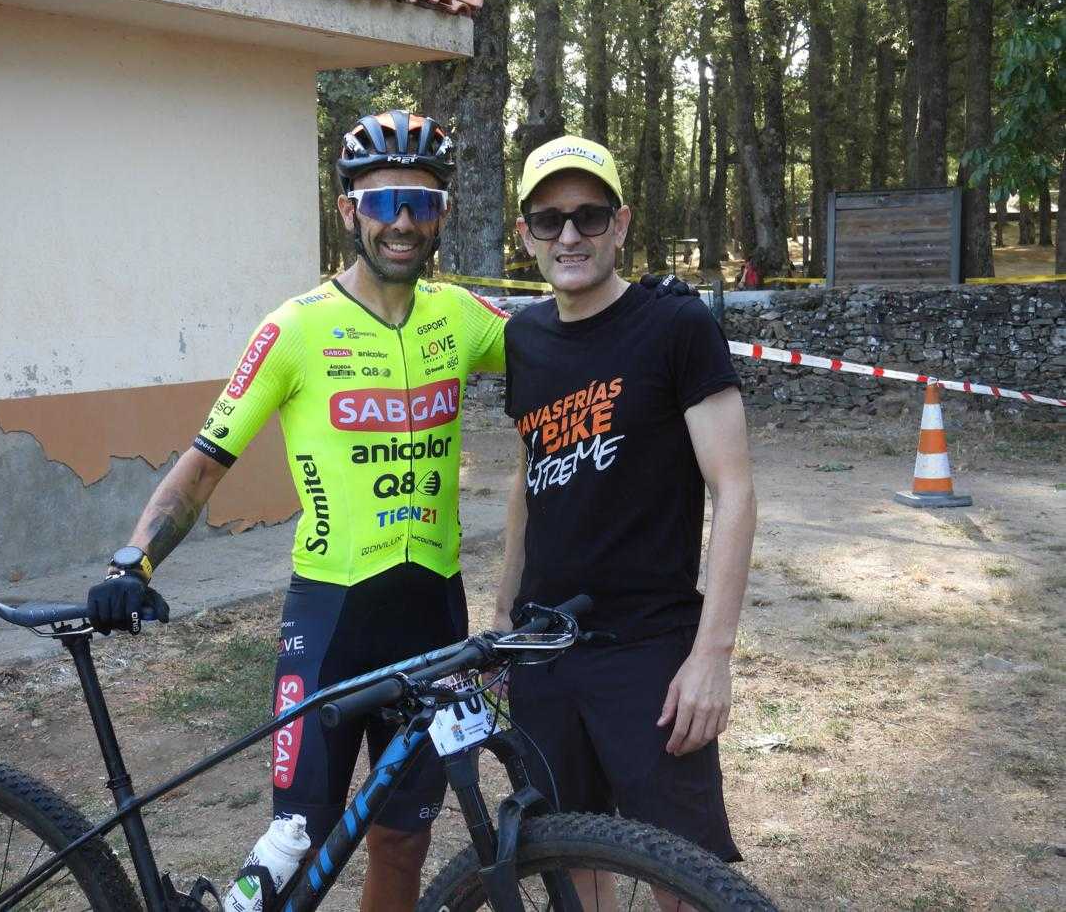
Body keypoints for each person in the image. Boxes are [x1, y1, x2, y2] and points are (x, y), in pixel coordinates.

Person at [85, 111, 512, 912]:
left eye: (420, 202)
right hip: (332, 617)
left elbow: (563, 341)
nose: (401, 221)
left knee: (404, 839)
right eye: (381, 202)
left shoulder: (458, 316)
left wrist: (638, 310)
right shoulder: (295, 327)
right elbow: (201, 465)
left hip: (434, 612)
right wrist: (131, 561)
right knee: (296, 844)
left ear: (442, 214)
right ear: (348, 210)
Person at [495, 135, 757, 911]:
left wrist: (711, 654)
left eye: (588, 215)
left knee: (684, 877)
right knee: (571, 863)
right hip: (542, 648)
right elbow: (528, 477)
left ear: (620, 223)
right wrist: (503, 615)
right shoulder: (523, 337)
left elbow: (734, 490)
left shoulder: (675, 325)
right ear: (525, 234)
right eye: (548, 220)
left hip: (647, 650)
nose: (568, 236)